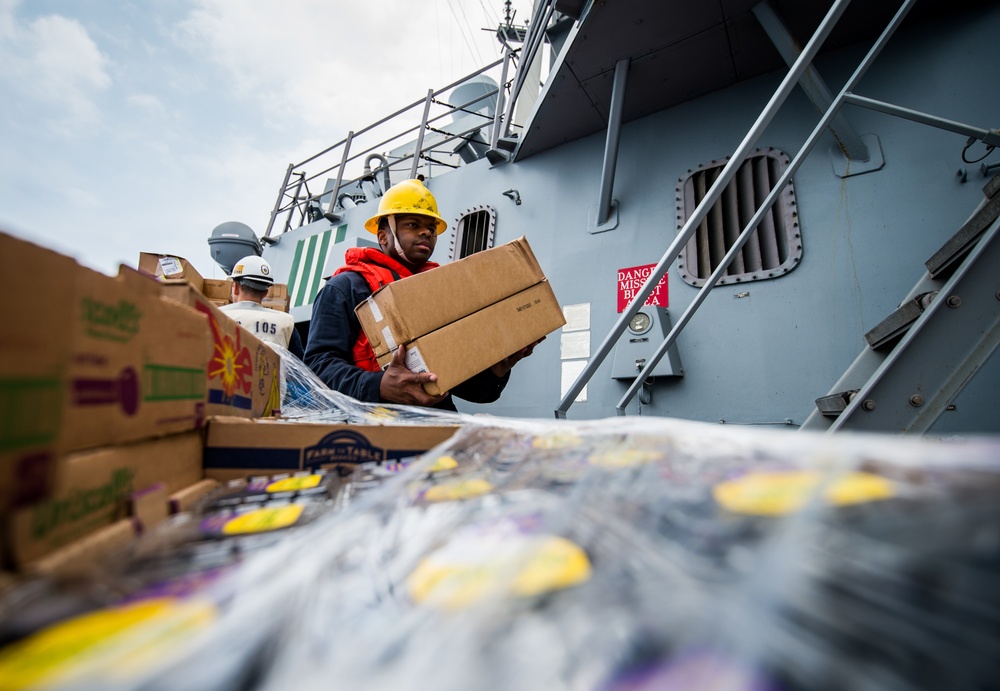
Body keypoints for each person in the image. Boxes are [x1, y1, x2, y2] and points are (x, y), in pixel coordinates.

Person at [304, 178, 537, 410]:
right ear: (383, 236)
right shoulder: (345, 288)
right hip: (369, 433)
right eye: (413, 225)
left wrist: (498, 369)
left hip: (434, 429)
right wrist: (378, 385)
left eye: (432, 229)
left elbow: (467, 387)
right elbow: (318, 367)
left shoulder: (441, 292)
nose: (426, 233)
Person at [221, 255, 304, 358]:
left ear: (236, 288)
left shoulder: (215, 315)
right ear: (265, 292)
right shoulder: (286, 323)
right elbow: (299, 367)